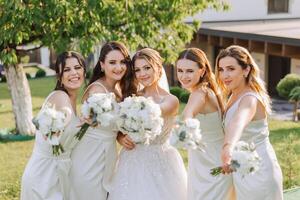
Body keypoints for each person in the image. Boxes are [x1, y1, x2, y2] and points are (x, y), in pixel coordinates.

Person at [108, 48, 187, 200]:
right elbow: (121, 124)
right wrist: (120, 136)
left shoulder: (170, 100)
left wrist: (130, 108)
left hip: (159, 160)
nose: (142, 73)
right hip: (131, 160)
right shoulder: (132, 97)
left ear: (157, 67)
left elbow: (153, 112)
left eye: (147, 68)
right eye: (137, 70)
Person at [69, 41, 136, 200]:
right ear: (102, 64)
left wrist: (119, 135)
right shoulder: (97, 91)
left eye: (122, 62)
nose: (118, 67)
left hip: (107, 153)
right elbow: (92, 123)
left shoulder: (119, 88)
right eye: (112, 62)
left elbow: (110, 124)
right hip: (90, 154)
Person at [216, 45, 283, 200]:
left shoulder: (250, 99)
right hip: (241, 169)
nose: (225, 75)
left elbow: (237, 123)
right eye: (221, 69)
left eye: (231, 69)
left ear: (246, 70)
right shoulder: (233, 96)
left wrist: (228, 147)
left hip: (259, 172)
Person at [21, 51, 86, 200]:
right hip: (43, 175)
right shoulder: (60, 97)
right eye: (67, 70)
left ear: (84, 71)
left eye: (77, 67)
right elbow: (62, 116)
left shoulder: (72, 99)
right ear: (59, 76)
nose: (74, 73)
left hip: (59, 173)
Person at [176, 47, 234, 200]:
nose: (183, 76)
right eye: (180, 70)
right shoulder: (208, 90)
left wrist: (184, 130)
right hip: (208, 161)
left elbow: (188, 115)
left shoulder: (200, 93)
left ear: (201, 71)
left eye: (189, 71)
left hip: (209, 166)